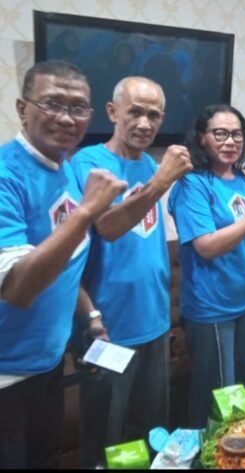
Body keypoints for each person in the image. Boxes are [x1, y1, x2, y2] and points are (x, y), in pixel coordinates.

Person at [0, 60, 127, 468]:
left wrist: (90, 316)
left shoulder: (66, 170)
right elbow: (18, 288)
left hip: (48, 363)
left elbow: (66, 263)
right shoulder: (6, 174)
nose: (67, 118)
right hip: (7, 375)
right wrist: (87, 211)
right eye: (52, 103)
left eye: (78, 108)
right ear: (22, 109)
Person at [71, 76, 193, 468]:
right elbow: (106, 226)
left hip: (154, 322)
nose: (144, 123)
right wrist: (161, 181)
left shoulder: (149, 165)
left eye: (153, 115)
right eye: (135, 112)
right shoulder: (89, 163)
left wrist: (168, 319)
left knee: (152, 434)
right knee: (106, 440)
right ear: (112, 112)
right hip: (108, 326)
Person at [168, 104, 245, 428]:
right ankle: (214, 452)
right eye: (220, 134)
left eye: (237, 134)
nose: (230, 141)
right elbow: (206, 246)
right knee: (218, 394)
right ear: (202, 138)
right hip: (211, 306)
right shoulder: (192, 184)